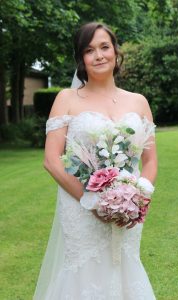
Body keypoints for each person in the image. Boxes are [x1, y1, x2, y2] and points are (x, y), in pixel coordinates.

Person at [33, 22, 158, 299]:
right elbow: (51, 160)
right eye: (89, 50)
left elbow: (149, 161)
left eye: (104, 47)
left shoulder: (139, 102)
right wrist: (90, 200)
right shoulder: (66, 98)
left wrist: (137, 196)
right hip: (80, 207)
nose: (99, 55)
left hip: (127, 210)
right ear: (81, 58)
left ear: (115, 51)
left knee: (124, 264)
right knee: (84, 270)